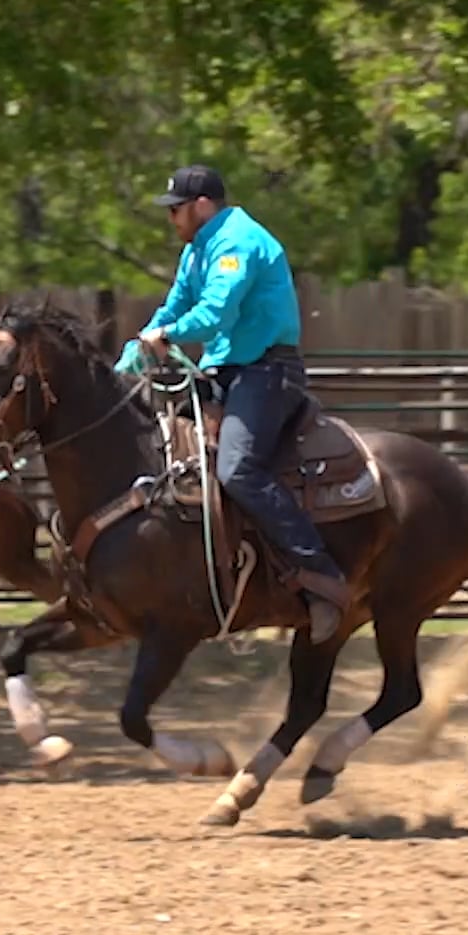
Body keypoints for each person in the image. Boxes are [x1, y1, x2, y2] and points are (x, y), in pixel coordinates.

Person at [114, 164, 350, 644]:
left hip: (267, 372)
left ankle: (321, 575)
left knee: (238, 469)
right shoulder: (196, 250)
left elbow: (214, 312)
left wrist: (169, 335)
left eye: (176, 210)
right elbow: (173, 307)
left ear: (202, 205)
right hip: (226, 372)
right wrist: (128, 362)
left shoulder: (237, 242)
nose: (171, 219)